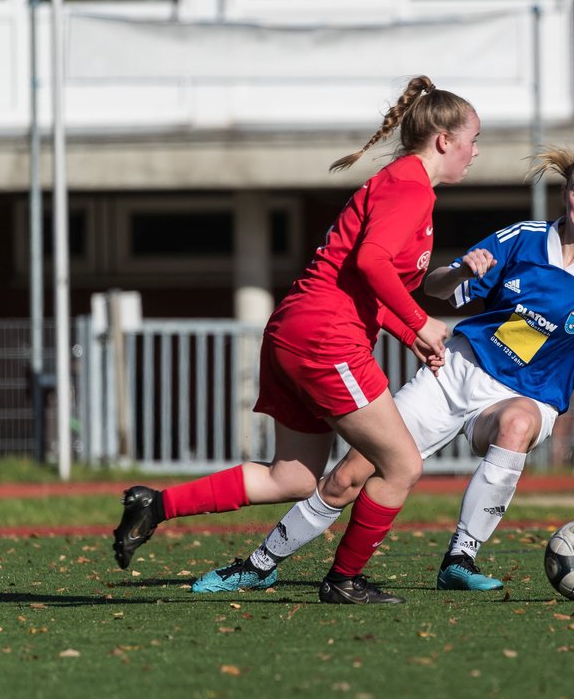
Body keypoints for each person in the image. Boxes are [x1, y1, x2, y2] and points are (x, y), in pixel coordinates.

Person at [191, 148, 574, 602]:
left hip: (525, 397)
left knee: (516, 426)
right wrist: (465, 269)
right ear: (567, 194)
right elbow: (438, 289)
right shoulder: (523, 239)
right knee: (351, 475)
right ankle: (259, 564)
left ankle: (459, 560)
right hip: (455, 371)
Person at [111, 75, 480, 606]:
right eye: (472, 140)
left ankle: (155, 505)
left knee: (292, 477)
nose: (474, 153)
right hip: (327, 338)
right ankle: (344, 580)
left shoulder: (401, 183)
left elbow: (363, 281)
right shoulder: (411, 188)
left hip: (296, 330)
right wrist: (421, 322)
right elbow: (371, 262)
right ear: (445, 140)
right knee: (402, 465)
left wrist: (407, 331)